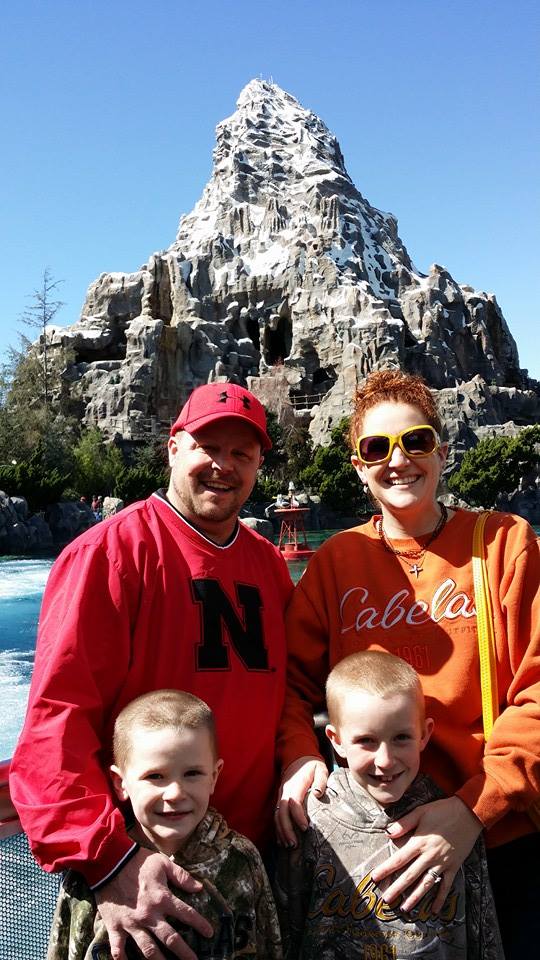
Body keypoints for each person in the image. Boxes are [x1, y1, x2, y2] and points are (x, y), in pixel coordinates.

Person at [10, 382, 293, 960]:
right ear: (173, 448)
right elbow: (56, 723)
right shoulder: (109, 554)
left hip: (248, 863)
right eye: (208, 447)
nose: (223, 466)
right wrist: (108, 862)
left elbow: (290, 690)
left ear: (258, 465)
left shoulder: (266, 562)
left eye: (242, 453)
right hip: (141, 878)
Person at [275, 369, 540, 959]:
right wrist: (299, 754)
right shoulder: (337, 560)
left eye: (416, 441)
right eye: (377, 448)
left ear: (441, 452)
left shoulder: (504, 542)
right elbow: (292, 686)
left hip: (500, 834)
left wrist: (472, 810)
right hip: (377, 841)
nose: (398, 460)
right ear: (358, 466)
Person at [276, 651, 503, 959]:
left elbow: (483, 934)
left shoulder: (455, 822)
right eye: (366, 741)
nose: (385, 760)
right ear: (335, 739)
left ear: (424, 734)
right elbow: (285, 931)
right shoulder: (313, 818)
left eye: (401, 738)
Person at [47, 689, 282, 959]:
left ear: (214, 776)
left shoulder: (242, 859)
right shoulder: (90, 874)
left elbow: (269, 946)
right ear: (120, 783)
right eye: (155, 776)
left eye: (192, 773)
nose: (175, 793)